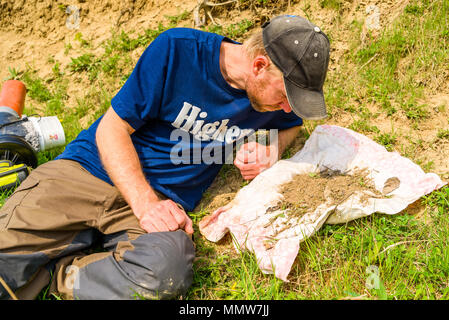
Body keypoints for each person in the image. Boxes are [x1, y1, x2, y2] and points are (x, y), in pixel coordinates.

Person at [0, 15, 330, 300]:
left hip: (161, 203)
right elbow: (110, 131)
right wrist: (145, 205)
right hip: (85, 174)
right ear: (259, 66)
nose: (287, 108)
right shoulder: (178, 51)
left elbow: (291, 125)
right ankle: (48, 258)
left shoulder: (269, 101)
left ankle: (58, 273)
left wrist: (272, 149)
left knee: (162, 275)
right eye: (286, 96)